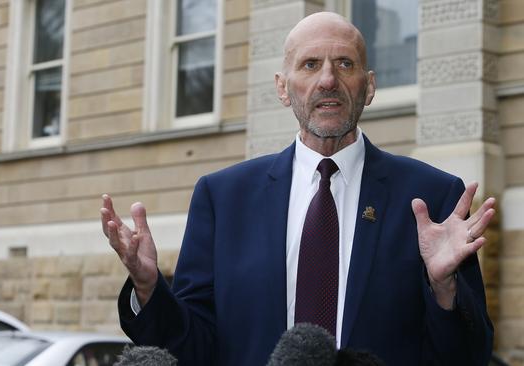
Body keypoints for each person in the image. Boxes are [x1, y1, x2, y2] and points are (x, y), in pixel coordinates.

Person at [101, 12, 494, 366]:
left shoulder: (431, 197)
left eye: (345, 64)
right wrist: (150, 288)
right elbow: (194, 348)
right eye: (310, 65)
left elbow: (469, 354)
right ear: (283, 88)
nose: (328, 80)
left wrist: (444, 288)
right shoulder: (223, 199)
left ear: (369, 87)